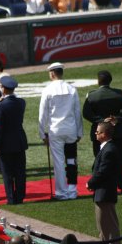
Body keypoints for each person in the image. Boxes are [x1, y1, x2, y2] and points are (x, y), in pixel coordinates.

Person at [83, 70, 122, 193]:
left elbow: (86, 113)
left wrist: (101, 120)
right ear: (110, 80)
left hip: (99, 133)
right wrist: (117, 119)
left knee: (99, 160)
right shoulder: (119, 94)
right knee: (120, 160)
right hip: (117, 132)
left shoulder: (92, 95)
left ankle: (99, 185)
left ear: (98, 81)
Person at [39, 62, 83, 200]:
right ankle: (72, 190)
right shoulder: (72, 89)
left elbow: (43, 114)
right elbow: (77, 112)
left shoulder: (47, 90)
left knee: (58, 162)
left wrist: (42, 133)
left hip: (55, 130)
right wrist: (79, 132)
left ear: (52, 73)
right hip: (70, 129)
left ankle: (61, 192)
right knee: (71, 159)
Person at [86, 122, 120, 244]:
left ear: (104, 134)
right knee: (103, 225)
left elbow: (103, 171)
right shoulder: (106, 148)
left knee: (109, 225)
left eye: (98, 132)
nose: (96, 133)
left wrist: (90, 183)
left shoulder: (109, 150)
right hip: (102, 193)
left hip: (105, 193)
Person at [0, 76, 28, 205]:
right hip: (19, 141)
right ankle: (20, 196)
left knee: (7, 172)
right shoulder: (21, 102)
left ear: (2, 88)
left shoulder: (0, 106)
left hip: (5, 143)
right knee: (20, 171)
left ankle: (11, 198)